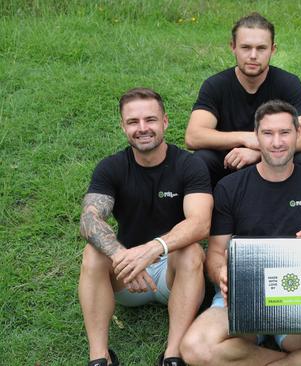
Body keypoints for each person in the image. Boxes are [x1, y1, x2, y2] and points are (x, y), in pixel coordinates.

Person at [180, 100, 301, 366]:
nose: (276, 142)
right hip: (242, 293)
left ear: (298, 133)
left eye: (284, 133)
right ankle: (290, 360)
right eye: (268, 133)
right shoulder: (230, 187)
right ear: (256, 137)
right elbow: (216, 252)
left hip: (300, 294)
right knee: (195, 347)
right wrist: (222, 273)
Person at [79, 88, 213, 366]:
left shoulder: (190, 165)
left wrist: (153, 249)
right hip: (127, 272)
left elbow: (200, 224)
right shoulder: (111, 167)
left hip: (172, 274)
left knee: (192, 252)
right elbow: (89, 219)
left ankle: (173, 356)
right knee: (92, 253)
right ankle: (99, 358)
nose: (142, 128)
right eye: (133, 122)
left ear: (165, 121)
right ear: (123, 126)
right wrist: (122, 257)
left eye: (150, 120)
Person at [185, 12, 301, 188]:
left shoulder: (288, 84)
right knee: (200, 160)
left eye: (261, 48)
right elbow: (194, 136)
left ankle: (297, 211)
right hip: (229, 162)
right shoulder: (216, 85)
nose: (253, 55)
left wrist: (259, 151)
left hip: (275, 161)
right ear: (233, 47)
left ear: (273, 49)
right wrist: (246, 138)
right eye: (246, 47)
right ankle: (204, 213)